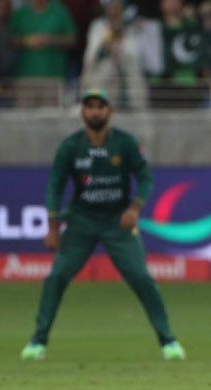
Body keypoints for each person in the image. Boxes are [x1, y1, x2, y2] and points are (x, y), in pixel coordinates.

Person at [20, 88, 186, 361]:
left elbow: (145, 177)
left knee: (142, 279)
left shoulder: (124, 142)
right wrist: (52, 226)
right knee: (56, 277)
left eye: (100, 106)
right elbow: (55, 185)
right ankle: (38, 342)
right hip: (80, 222)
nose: (95, 111)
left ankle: (168, 341)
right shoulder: (71, 146)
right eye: (90, 106)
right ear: (83, 112)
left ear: (110, 111)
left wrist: (135, 207)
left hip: (117, 222)